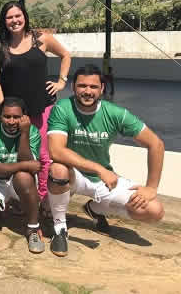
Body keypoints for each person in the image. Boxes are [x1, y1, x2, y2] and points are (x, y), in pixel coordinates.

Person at [47, 64, 165, 257]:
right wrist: (98, 169)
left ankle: (94, 209)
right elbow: (56, 150)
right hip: (72, 174)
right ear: (73, 87)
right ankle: (60, 229)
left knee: (154, 211)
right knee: (58, 169)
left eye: (93, 86)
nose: (87, 91)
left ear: (102, 88)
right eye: (82, 86)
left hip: (102, 180)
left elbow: (156, 144)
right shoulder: (62, 108)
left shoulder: (116, 113)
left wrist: (151, 188)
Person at [0, 1, 71, 207]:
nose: (14, 20)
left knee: (43, 157)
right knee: (16, 157)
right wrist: (3, 105)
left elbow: (65, 55)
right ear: (4, 21)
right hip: (14, 114)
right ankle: (19, 197)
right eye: (9, 17)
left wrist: (61, 81)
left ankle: (42, 199)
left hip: (40, 109)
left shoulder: (42, 39)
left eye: (18, 16)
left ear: (24, 16)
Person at [0, 97, 44, 253]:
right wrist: (25, 165)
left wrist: (24, 134)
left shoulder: (32, 131)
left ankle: (33, 228)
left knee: (23, 177)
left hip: (19, 179)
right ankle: (0, 208)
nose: (11, 121)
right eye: (7, 116)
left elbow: (28, 164)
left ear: (24, 117)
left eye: (16, 117)